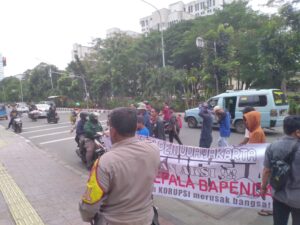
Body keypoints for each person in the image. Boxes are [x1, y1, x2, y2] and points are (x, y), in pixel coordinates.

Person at [79, 107, 160, 225]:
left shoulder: (105, 162)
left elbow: (89, 205)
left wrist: (86, 216)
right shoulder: (154, 150)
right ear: (135, 127)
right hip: (146, 219)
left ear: (113, 131)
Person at [261, 115, 300, 225]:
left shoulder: (273, 146)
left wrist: (263, 188)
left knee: (279, 222)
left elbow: (266, 171)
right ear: (297, 132)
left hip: (279, 195)